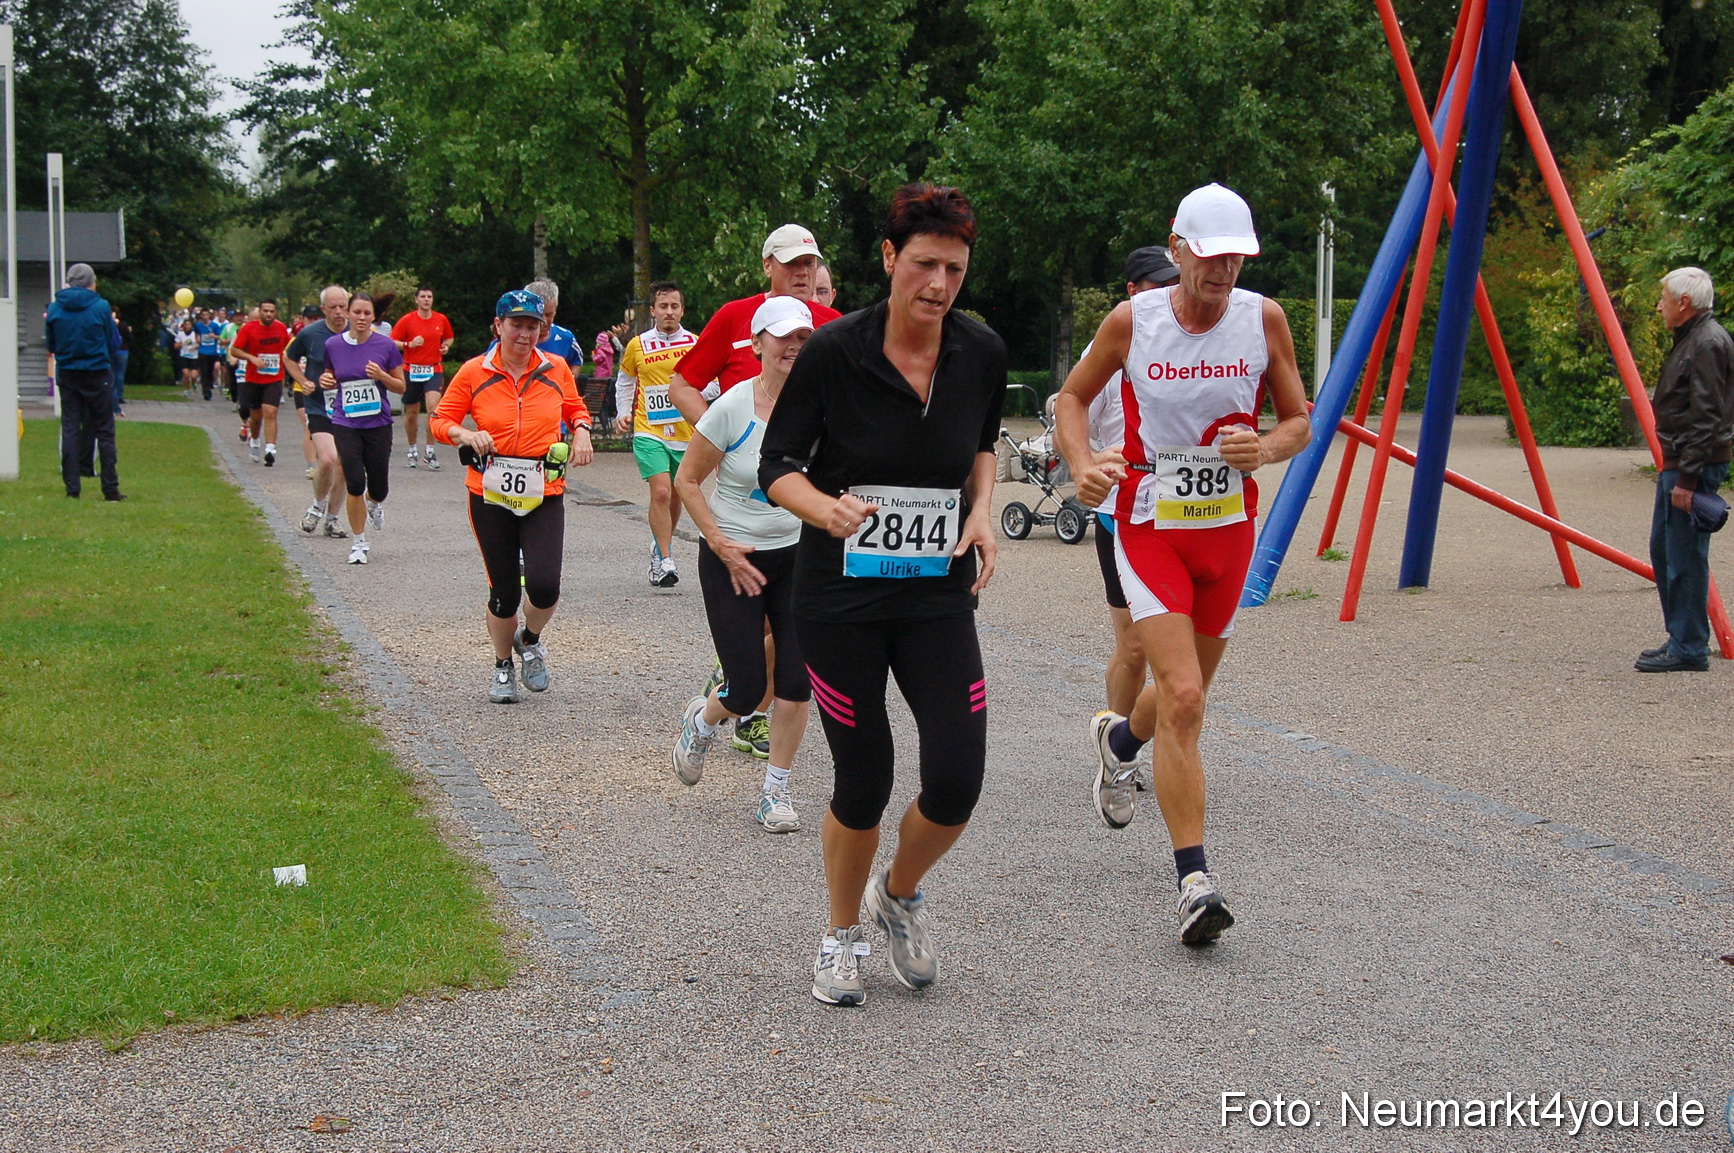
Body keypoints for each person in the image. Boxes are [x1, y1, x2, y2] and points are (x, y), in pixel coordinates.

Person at [759, 184, 1003, 1007]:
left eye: (955, 269)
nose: (938, 284)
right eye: (925, 264)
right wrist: (824, 508)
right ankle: (838, 936)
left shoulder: (981, 350)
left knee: (959, 777)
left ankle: (897, 891)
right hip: (840, 602)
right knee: (865, 777)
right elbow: (777, 465)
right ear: (890, 258)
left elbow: (980, 446)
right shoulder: (835, 352)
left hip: (936, 591)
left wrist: (982, 511)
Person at [1054, 183, 1310, 946]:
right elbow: (1071, 399)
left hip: (1228, 530)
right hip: (1150, 522)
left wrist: (1263, 448)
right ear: (1177, 251)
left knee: (1174, 704)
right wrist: (1081, 463)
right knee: (1187, 696)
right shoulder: (1135, 321)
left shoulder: (1263, 319)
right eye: (1209, 256)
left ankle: (1120, 744)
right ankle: (1195, 881)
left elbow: (1301, 419)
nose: (1222, 271)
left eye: (1236, 257)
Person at [671, 296, 816, 833]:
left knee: (799, 681)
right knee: (747, 685)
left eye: (803, 338)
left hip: (798, 558)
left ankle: (774, 794)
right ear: (757, 344)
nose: (793, 348)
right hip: (732, 559)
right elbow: (687, 481)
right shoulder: (731, 407)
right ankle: (703, 722)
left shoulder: (819, 409)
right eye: (782, 338)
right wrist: (721, 543)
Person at [431, 290, 594, 702]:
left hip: (544, 488)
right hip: (489, 491)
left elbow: (576, 409)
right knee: (504, 591)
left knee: (544, 586)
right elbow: (441, 420)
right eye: (516, 324)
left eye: (532, 326)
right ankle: (503, 665)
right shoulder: (473, 371)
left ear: (542, 328)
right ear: (498, 326)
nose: (524, 334)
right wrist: (466, 434)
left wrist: (582, 433)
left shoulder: (556, 368)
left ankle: (530, 639)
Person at [1085, 245, 1182, 793]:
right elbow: (1070, 411)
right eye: (1157, 284)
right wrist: (1091, 460)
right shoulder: (1112, 344)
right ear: (1132, 292)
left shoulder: (1196, 342)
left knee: (1179, 646)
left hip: (1187, 512)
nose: (1169, 293)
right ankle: (1118, 751)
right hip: (1122, 512)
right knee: (1137, 645)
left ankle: (1149, 740)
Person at [1638, 267, 1734, 672]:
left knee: (1684, 557)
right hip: (1682, 462)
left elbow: (1707, 414)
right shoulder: (1696, 338)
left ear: (1684, 303)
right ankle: (1682, 636)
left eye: (1663, 297)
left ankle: (1690, 646)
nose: (1658, 305)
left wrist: (1688, 480)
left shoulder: (1706, 343)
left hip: (1691, 465)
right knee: (1666, 550)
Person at [667, 224, 843, 426]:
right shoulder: (734, 316)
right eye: (791, 263)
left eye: (809, 263)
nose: (802, 272)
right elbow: (681, 388)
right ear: (767, 266)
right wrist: (720, 439)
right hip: (749, 454)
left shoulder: (833, 323)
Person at [613, 280, 698, 586]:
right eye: (663, 306)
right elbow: (624, 382)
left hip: (685, 434)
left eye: (675, 306)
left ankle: (660, 543)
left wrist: (690, 395)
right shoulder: (638, 345)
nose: (669, 312)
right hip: (649, 430)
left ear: (682, 310)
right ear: (652, 310)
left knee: (675, 497)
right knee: (661, 491)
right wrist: (623, 413)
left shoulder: (694, 343)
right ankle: (665, 559)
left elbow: (712, 382)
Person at [317, 292, 405, 563]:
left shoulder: (386, 346)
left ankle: (375, 503)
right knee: (355, 482)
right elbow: (330, 375)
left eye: (367, 313)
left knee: (378, 488)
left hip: (378, 423)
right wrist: (325, 380)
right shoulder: (333, 345)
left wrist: (381, 376)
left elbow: (401, 386)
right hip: (345, 422)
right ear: (348, 314)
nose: (362, 318)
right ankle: (359, 542)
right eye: (357, 312)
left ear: (373, 316)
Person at [46, 263, 125, 501]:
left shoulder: (55, 308)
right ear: (92, 281)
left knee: (70, 427)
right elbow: (114, 341)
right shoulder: (100, 307)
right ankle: (110, 488)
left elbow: (51, 344)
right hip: (97, 372)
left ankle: (72, 488)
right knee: (104, 430)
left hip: (68, 372)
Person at [285, 285, 353, 539]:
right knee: (327, 459)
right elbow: (289, 358)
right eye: (332, 307)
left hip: (349, 409)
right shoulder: (311, 334)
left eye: (342, 307)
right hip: (318, 405)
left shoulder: (358, 333)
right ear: (323, 309)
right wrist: (303, 380)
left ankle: (333, 519)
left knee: (344, 466)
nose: (338, 312)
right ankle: (317, 505)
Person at [393, 286, 456, 470]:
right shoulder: (407, 320)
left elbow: (449, 337)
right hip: (411, 370)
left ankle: (430, 450)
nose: (427, 299)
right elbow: (392, 341)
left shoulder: (440, 319)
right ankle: (412, 450)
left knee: (433, 409)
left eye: (429, 296)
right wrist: (409, 344)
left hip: (433, 370)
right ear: (416, 300)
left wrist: (446, 346)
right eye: (423, 296)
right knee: (412, 413)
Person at [230, 300, 293, 466]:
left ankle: (270, 450)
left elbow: (289, 347)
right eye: (265, 311)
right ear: (260, 311)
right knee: (256, 417)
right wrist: (251, 358)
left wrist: (291, 359)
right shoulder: (249, 329)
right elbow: (234, 350)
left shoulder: (280, 328)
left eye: (272, 311)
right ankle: (255, 442)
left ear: (276, 312)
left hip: (274, 378)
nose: (269, 314)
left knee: (270, 411)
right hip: (253, 379)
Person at [523, 278, 582, 372]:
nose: (544, 321)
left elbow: (576, 362)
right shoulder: (510, 339)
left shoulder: (566, 338)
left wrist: (568, 382)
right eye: (539, 315)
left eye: (549, 315)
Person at [196, 308, 223, 400]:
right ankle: (206, 391)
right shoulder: (198, 325)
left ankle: (210, 383)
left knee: (210, 370)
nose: (205, 317)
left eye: (206, 315)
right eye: (203, 315)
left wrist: (214, 336)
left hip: (212, 351)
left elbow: (220, 336)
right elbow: (196, 333)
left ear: (209, 316)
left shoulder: (214, 326)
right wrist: (197, 339)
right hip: (202, 351)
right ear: (201, 316)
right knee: (204, 371)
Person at [176, 318, 202, 395]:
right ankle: (188, 388)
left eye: (189, 324)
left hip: (194, 356)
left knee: (193, 376)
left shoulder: (195, 334)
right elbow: (175, 345)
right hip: (184, 356)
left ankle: (194, 383)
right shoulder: (180, 334)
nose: (187, 326)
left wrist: (196, 347)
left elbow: (200, 344)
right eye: (186, 324)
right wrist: (181, 344)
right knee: (186, 374)